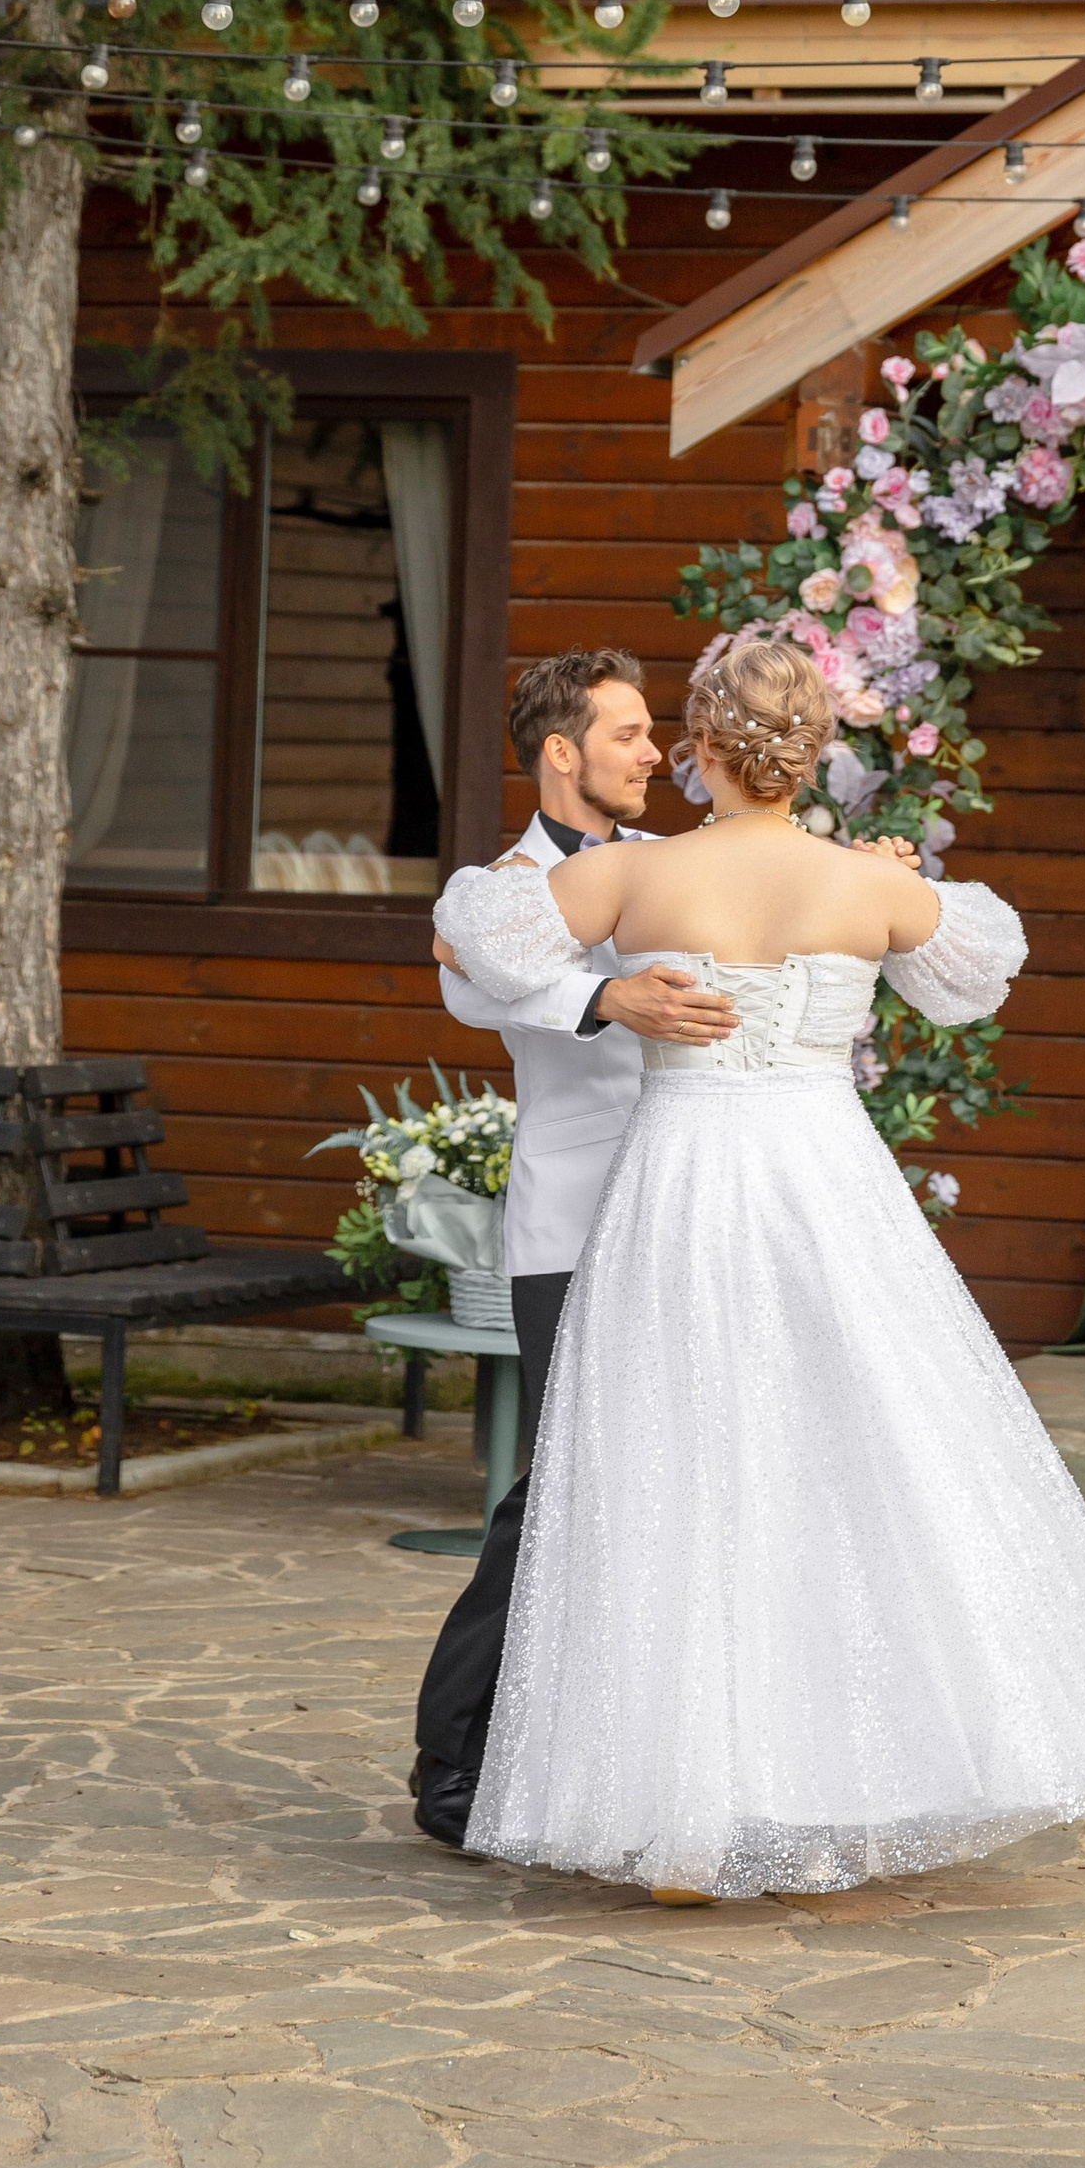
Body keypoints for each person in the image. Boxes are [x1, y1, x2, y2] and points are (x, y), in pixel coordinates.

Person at [428, 626, 1085, 1902]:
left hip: (681, 1190)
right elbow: (974, 972)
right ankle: (835, 1790)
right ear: (810, 753)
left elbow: (471, 934)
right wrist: (871, 881)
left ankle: (682, 1824)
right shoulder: (871, 887)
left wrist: (611, 983)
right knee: (843, 1467)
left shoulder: (637, 875)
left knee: (673, 1484)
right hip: (824, 1191)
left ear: (701, 746)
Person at [405, 647, 738, 1853]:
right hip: (574, 1231)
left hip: (690, 1216)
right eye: (629, 734)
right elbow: (469, 985)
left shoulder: (671, 863)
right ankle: (454, 1758)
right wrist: (603, 999)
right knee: (558, 1492)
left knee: (679, 1487)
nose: (656, 753)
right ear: (561, 752)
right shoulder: (491, 891)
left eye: (654, 733)